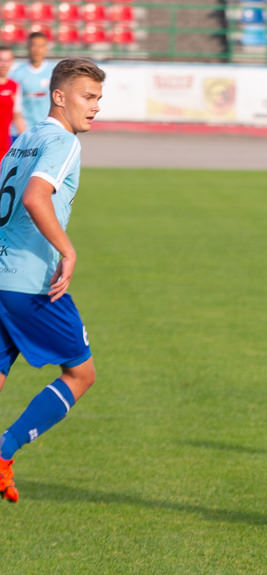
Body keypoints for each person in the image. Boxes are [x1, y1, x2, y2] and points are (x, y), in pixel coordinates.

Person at [0, 58, 105, 502]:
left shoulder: (24, 139)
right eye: (88, 96)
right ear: (59, 97)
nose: (96, 107)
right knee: (81, 373)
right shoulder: (63, 142)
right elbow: (35, 195)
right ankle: (4, 450)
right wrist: (68, 249)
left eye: (99, 98)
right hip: (31, 283)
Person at [10, 32, 53, 139]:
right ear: (28, 47)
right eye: (33, 45)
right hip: (22, 131)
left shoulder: (54, 72)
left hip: (47, 130)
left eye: (41, 46)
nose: (37, 49)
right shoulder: (17, 74)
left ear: (46, 48)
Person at [0, 46, 25, 158]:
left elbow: (17, 116)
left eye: (7, 61)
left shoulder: (14, 86)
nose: (4, 64)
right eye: (1, 60)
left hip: (4, 144)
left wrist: (27, 139)